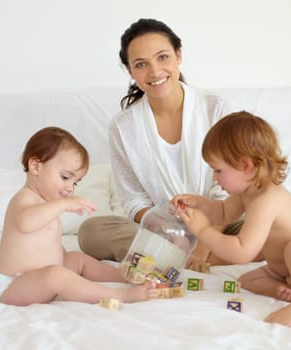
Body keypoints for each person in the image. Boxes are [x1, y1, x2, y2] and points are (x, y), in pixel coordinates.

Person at [78, 18, 251, 268]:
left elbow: (231, 190)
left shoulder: (215, 107)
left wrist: (203, 244)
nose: (155, 72)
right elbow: (134, 201)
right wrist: (171, 233)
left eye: (162, 57)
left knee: (272, 228)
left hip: (222, 220)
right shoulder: (123, 127)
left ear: (178, 55)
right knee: (91, 232)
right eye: (141, 64)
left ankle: (177, 257)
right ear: (130, 71)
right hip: (163, 229)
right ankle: (209, 255)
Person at [171, 111, 291, 327]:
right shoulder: (246, 192)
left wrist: (203, 230)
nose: (214, 177)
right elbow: (223, 213)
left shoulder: (267, 199)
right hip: (287, 270)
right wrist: (198, 203)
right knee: (248, 280)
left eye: (218, 170)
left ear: (245, 165)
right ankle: (289, 291)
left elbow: (242, 251)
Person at [0, 126, 157, 306]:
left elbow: (46, 244)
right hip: (15, 286)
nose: (70, 188)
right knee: (57, 275)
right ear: (35, 166)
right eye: (65, 177)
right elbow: (25, 223)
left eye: (75, 182)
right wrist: (63, 204)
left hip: (41, 279)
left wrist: (61, 255)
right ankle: (122, 296)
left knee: (77, 259)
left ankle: (128, 277)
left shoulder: (45, 204)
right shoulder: (24, 199)